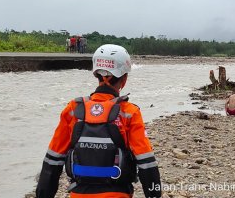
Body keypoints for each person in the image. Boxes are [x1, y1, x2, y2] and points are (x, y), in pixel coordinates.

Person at [36, 44, 161, 198]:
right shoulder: (129, 113)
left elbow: (52, 161)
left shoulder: (73, 109)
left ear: (96, 74)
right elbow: (146, 163)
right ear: (124, 79)